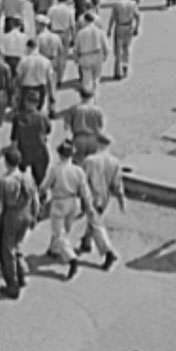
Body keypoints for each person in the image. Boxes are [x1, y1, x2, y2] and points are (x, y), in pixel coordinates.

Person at [0, 147, 40, 299]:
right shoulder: (28, 178)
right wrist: (35, 215)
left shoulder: (4, 182)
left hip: (11, 217)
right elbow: (35, 198)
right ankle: (22, 274)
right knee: (18, 244)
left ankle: (12, 285)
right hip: (26, 214)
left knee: (6, 251)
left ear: (6, 163)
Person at [38, 140, 92, 280]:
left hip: (59, 201)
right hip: (74, 202)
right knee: (66, 229)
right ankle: (54, 250)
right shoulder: (78, 170)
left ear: (60, 154)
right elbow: (85, 190)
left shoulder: (55, 169)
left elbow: (45, 186)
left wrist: (40, 195)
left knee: (58, 231)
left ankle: (71, 258)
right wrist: (87, 204)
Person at [77, 133, 123, 270]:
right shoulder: (115, 161)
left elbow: (82, 180)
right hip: (105, 197)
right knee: (94, 220)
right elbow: (117, 183)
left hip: (91, 196)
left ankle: (108, 252)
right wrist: (121, 198)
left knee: (96, 224)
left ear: (97, 143)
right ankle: (86, 242)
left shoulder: (89, 161)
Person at [10, 89, 52, 186]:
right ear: (37, 103)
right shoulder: (43, 117)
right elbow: (48, 130)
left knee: (20, 178)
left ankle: (23, 194)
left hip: (23, 152)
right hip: (40, 152)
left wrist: (13, 154)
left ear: (25, 101)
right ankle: (38, 195)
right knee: (39, 179)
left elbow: (14, 139)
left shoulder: (18, 118)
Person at [106, 0, 140, 80]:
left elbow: (112, 18)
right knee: (127, 48)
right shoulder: (132, 3)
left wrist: (109, 29)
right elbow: (137, 16)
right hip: (129, 27)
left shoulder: (117, 4)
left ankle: (118, 72)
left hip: (120, 27)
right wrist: (137, 27)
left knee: (118, 50)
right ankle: (126, 67)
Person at [63, 87, 105, 162]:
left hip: (78, 138)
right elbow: (101, 126)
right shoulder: (98, 110)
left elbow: (66, 127)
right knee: (92, 164)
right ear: (92, 97)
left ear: (80, 96)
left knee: (78, 163)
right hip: (93, 139)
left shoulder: (73, 109)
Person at [14, 38, 55, 115]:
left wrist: (16, 91)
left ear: (28, 48)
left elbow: (19, 77)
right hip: (41, 88)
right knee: (39, 111)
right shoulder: (46, 61)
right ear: (37, 47)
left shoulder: (23, 60)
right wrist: (51, 94)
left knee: (25, 112)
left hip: (26, 88)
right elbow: (49, 79)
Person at [74, 12, 110, 96]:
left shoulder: (81, 33)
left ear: (85, 20)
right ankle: (95, 96)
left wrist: (76, 59)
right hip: (97, 55)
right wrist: (105, 56)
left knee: (86, 79)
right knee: (96, 78)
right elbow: (106, 46)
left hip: (85, 56)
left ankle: (88, 97)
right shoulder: (100, 31)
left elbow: (76, 48)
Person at [35, 14, 66, 90]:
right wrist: (60, 76)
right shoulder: (56, 36)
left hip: (43, 62)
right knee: (53, 85)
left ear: (40, 25)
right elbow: (61, 53)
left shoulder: (39, 37)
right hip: (54, 61)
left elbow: (35, 53)